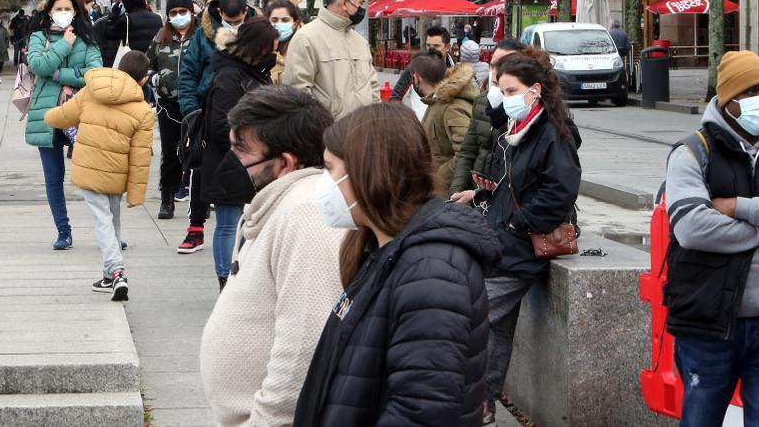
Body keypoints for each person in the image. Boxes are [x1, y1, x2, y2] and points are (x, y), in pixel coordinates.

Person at [292, 103, 501, 426]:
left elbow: (421, 411)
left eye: (330, 168)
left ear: (368, 171)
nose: (324, 183)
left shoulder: (433, 272)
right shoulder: (383, 249)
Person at [663, 51, 759, 426]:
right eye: (752, 92)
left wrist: (737, 206)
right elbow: (691, 228)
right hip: (706, 323)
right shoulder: (693, 152)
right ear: (729, 101)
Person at [199, 86, 344, 426]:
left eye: (242, 151)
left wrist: (265, 420)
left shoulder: (306, 213)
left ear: (285, 163)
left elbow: (307, 340)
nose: (232, 161)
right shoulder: (282, 204)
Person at [453, 56, 581, 424]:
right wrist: (481, 199)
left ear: (535, 91)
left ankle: (477, 406)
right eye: (500, 89)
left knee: (479, 320)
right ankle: (483, 407)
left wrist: (515, 224)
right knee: (494, 327)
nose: (504, 96)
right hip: (505, 241)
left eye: (510, 91)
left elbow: (560, 191)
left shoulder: (552, 132)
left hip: (521, 246)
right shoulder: (519, 127)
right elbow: (513, 186)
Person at [44, 52, 155, 302]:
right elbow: (140, 157)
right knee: (112, 220)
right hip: (116, 174)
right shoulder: (143, 110)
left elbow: (64, 115)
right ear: (144, 80)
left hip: (89, 168)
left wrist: (46, 116)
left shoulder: (93, 89)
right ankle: (109, 275)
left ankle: (116, 271)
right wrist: (136, 194)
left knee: (102, 221)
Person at [199, 18, 277, 289]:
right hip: (228, 163)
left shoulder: (255, 73)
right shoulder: (229, 76)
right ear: (256, 48)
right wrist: (257, 138)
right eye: (270, 49)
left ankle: (240, 276)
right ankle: (226, 280)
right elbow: (220, 125)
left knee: (245, 224)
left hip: (252, 163)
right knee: (228, 224)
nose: (273, 55)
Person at [25, 0, 104, 251]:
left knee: (93, 176)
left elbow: (94, 73)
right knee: (53, 176)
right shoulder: (38, 37)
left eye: (67, 9)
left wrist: (59, 74)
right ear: (49, 12)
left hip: (82, 115)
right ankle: (63, 230)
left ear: (76, 11)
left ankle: (107, 229)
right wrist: (64, 45)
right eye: (57, 9)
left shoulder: (88, 39)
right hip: (47, 116)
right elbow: (39, 66)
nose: (62, 14)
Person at [177, 0, 253, 253]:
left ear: (246, 11)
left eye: (238, 18)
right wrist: (191, 112)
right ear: (219, 12)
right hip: (209, 118)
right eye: (228, 20)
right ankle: (195, 226)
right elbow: (187, 74)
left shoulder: (257, 33)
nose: (234, 24)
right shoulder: (203, 35)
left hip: (249, 120)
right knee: (202, 175)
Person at [449, 41, 549, 196]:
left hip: (508, 201)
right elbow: (468, 152)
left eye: (503, 64)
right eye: (492, 65)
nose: (495, 72)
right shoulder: (483, 101)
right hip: (480, 196)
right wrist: (457, 192)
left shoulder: (529, 111)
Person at [282, 0, 378, 119]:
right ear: (345, 3)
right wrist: (322, 124)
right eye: (360, 3)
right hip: (326, 134)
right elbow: (297, 92)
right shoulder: (306, 38)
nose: (362, 9)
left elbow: (373, 87)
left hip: (364, 132)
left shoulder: (360, 42)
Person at [146, 0, 197, 221]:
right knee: (170, 153)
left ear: (191, 12)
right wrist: (155, 78)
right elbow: (148, 65)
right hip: (168, 105)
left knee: (197, 152)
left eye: (182, 12)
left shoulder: (202, 37)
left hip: (196, 104)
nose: (178, 16)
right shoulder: (160, 37)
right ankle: (167, 198)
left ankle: (199, 200)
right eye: (173, 13)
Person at [409, 52, 479, 197]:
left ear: (416, 78)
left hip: (449, 193)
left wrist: (437, 178)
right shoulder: (437, 100)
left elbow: (466, 153)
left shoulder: (451, 106)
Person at [390, 26, 454, 102]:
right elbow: (395, 97)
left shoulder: (455, 69)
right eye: (428, 45)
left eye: (436, 46)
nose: (431, 49)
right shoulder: (415, 67)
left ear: (448, 47)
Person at [265, 0, 303, 84]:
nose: (279, 24)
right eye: (274, 20)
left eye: (285, 20)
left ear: (295, 23)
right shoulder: (260, 48)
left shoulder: (305, 45)